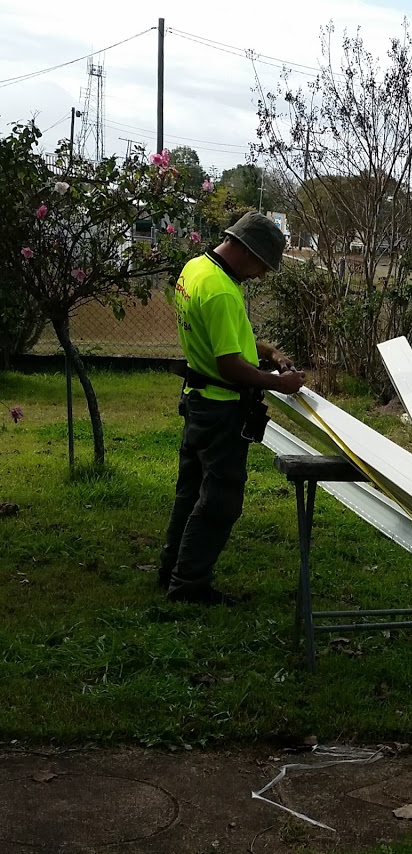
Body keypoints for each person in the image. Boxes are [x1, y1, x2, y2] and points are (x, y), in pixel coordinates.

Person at [159, 212, 305, 605]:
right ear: (244, 249)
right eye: (261, 265)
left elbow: (229, 339)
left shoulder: (197, 269)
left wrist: (270, 351)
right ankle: (189, 585)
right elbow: (230, 364)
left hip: (197, 399)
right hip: (221, 408)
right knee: (221, 501)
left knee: (189, 492)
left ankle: (169, 568)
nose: (260, 276)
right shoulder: (223, 291)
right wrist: (280, 383)